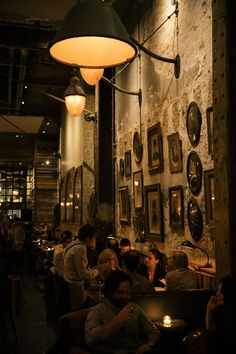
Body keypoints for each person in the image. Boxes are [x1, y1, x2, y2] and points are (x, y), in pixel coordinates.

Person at [85, 270, 161, 354]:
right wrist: (118, 320)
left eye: (128, 293)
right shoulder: (97, 311)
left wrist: (149, 344)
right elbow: (90, 339)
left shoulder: (134, 308)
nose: (125, 297)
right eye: (120, 292)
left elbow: (154, 331)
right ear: (110, 292)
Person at [63, 224, 111, 310]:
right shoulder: (80, 249)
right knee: (77, 311)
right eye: (94, 237)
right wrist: (98, 269)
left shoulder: (73, 243)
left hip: (68, 282)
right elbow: (83, 274)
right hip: (74, 287)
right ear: (88, 238)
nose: (95, 240)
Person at [205, 275, 236, 350]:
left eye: (221, 291)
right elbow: (210, 329)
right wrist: (209, 310)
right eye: (217, 290)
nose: (217, 294)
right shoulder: (222, 309)